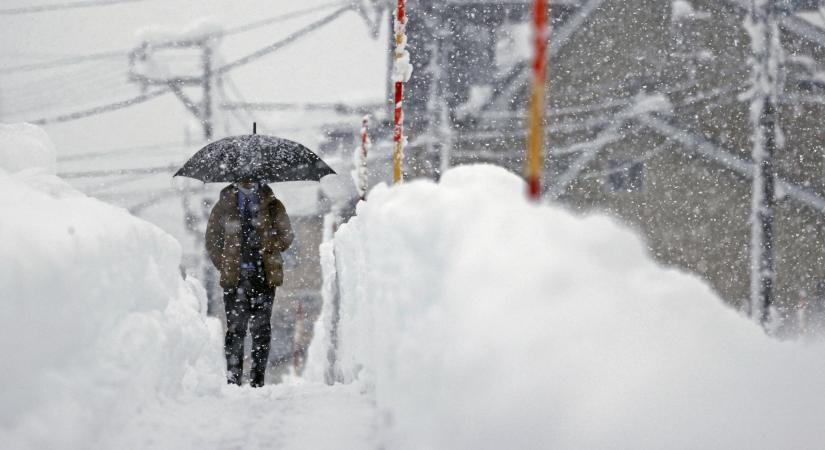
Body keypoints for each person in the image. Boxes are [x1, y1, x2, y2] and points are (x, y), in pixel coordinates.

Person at [205, 180, 294, 387]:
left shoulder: (273, 205)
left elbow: (287, 236)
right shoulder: (223, 206)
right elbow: (212, 241)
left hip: (263, 276)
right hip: (235, 280)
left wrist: (270, 244)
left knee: (261, 330)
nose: (248, 178)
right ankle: (233, 379)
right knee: (236, 330)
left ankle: (257, 380)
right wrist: (226, 264)